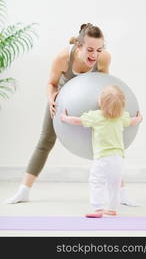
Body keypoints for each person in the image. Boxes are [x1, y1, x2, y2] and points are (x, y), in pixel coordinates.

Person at [5, 23, 133, 206]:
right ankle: (23, 191)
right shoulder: (63, 57)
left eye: (99, 49)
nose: (95, 55)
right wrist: (51, 99)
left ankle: (122, 193)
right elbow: (51, 83)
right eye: (90, 49)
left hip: (91, 101)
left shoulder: (104, 58)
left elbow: (105, 85)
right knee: (45, 142)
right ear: (79, 46)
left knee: (110, 143)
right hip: (62, 101)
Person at [60, 85, 143, 217]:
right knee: (114, 184)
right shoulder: (121, 117)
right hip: (119, 158)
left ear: (100, 102)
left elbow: (77, 121)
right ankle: (112, 208)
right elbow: (133, 122)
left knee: (96, 181)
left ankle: (98, 209)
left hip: (103, 158)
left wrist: (64, 118)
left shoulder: (96, 116)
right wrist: (139, 119)